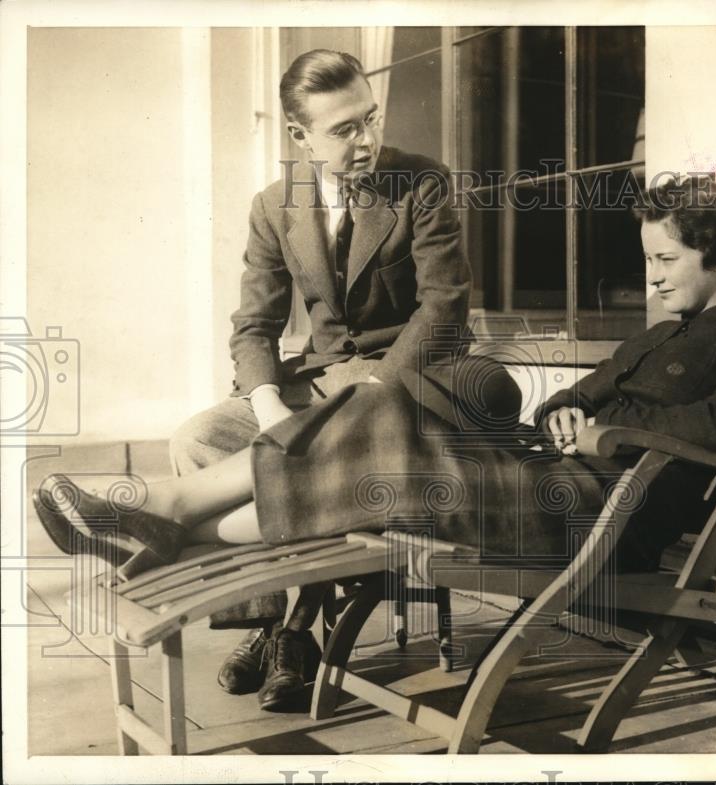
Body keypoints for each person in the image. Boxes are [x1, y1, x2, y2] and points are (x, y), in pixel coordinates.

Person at [33, 174, 716, 708]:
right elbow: (574, 393)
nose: (652, 278)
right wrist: (567, 408)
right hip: (550, 478)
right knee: (377, 412)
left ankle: (167, 518)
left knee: (384, 454)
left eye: (666, 261)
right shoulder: (658, 334)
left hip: (603, 513)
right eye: (650, 260)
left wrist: (606, 436)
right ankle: (168, 516)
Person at [165, 48, 471, 709]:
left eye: (370, 118)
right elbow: (253, 326)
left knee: (312, 447)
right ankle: (276, 622)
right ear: (300, 136)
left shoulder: (421, 182)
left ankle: (294, 630)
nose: (366, 139)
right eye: (344, 129)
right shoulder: (275, 206)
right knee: (199, 437)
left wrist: (372, 393)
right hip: (317, 381)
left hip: (407, 381)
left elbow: (443, 306)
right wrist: (269, 399)